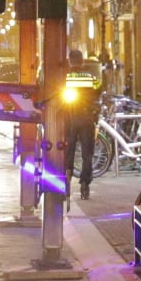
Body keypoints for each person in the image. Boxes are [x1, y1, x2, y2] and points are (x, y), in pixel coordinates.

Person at [60, 49, 104, 202]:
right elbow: (99, 90)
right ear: (82, 61)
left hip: (70, 118)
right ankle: (85, 185)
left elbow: (57, 93)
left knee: (68, 152)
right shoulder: (91, 78)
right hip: (86, 118)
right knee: (87, 154)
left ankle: (66, 184)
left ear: (69, 61)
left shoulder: (64, 78)